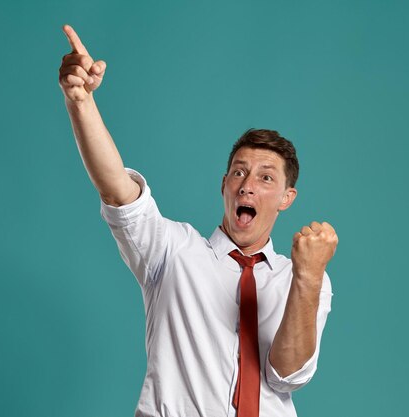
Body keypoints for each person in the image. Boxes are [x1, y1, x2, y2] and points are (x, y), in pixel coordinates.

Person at [58, 24, 339, 417]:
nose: (248, 186)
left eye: (266, 177)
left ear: (286, 199)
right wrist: (80, 102)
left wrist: (308, 277)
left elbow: (286, 373)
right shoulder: (172, 252)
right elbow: (117, 189)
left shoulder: (306, 278)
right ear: (224, 185)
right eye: (239, 173)